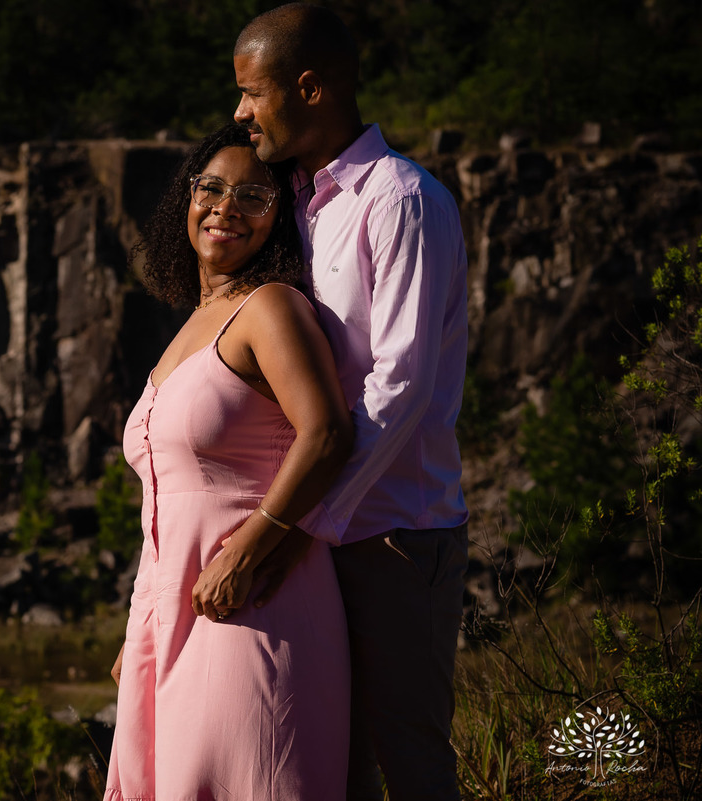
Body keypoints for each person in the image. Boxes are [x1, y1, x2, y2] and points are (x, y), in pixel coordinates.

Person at [231, 5, 471, 801]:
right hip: (321, 530)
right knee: (332, 760)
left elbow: (400, 387)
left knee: (411, 761)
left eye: (252, 93)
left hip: (395, 535)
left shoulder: (402, 199)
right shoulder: (297, 204)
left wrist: (298, 520)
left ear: (309, 87)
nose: (240, 112)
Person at [104, 122, 354, 801]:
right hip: (170, 616)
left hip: (252, 608)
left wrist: (248, 552)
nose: (225, 207)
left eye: (252, 194)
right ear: (184, 199)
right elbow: (167, 504)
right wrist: (145, 622)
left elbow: (328, 433)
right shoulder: (192, 322)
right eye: (210, 188)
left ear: (280, 218)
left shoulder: (270, 307)